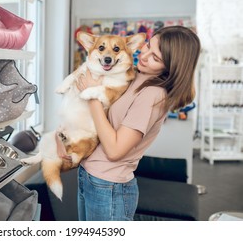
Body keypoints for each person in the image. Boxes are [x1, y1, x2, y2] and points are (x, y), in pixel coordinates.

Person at [57, 25, 201, 221]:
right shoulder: (134, 76)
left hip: (108, 187)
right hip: (89, 176)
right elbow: (101, 121)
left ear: (171, 66)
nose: (144, 55)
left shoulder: (152, 94)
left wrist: (91, 96)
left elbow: (115, 150)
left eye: (155, 58)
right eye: (148, 45)